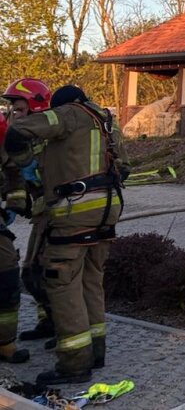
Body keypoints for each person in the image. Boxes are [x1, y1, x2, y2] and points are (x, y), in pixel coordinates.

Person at [3, 85, 126, 385]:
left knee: (61, 281)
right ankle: (96, 351)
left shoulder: (68, 114)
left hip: (75, 212)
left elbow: (17, 133)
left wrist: (26, 163)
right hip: (108, 210)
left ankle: (74, 363)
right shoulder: (106, 121)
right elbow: (124, 169)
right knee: (90, 280)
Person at [1, 79, 54, 360]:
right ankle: (48, 321)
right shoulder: (15, 135)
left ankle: (59, 324)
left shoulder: (48, 136)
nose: (15, 115)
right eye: (13, 110)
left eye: (20, 109)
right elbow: (13, 173)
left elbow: (18, 173)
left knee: (38, 271)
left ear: (36, 108)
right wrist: (17, 202)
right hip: (41, 213)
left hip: (55, 212)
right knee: (33, 271)